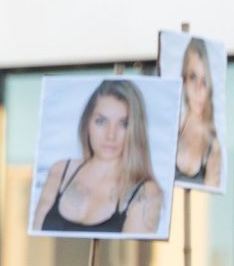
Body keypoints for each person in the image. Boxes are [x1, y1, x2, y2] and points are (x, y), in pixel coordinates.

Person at [32, 79, 165, 236]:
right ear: (87, 122)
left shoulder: (146, 192)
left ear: (135, 129)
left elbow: (132, 249)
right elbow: (36, 238)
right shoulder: (60, 172)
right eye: (101, 121)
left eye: (124, 124)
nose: (111, 135)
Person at [173, 36, 223, 191]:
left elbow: (210, 197)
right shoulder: (172, 128)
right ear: (184, 79)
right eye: (193, 77)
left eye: (204, 80)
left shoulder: (214, 145)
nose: (198, 89)